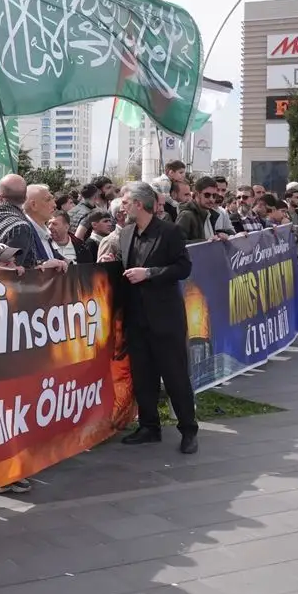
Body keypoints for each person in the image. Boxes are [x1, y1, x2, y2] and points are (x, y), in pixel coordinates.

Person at [105, 182, 198, 454]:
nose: (122, 208)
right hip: (136, 318)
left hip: (165, 318)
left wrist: (149, 273)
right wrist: (112, 262)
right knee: (142, 376)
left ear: (138, 204)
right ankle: (149, 426)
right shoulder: (126, 234)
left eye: (125, 202)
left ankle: (188, 430)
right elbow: (125, 268)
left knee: (175, 376)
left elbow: (183, 267)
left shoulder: (169, 231)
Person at [176, 177, 231, 244]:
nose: (211, 199)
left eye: (214, 195)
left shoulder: (210, 214)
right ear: (197, 194)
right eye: (207, 195)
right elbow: (177, 243)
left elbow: (207, 237)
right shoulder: (186, 215)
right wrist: (206, 242)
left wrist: (218, 236)